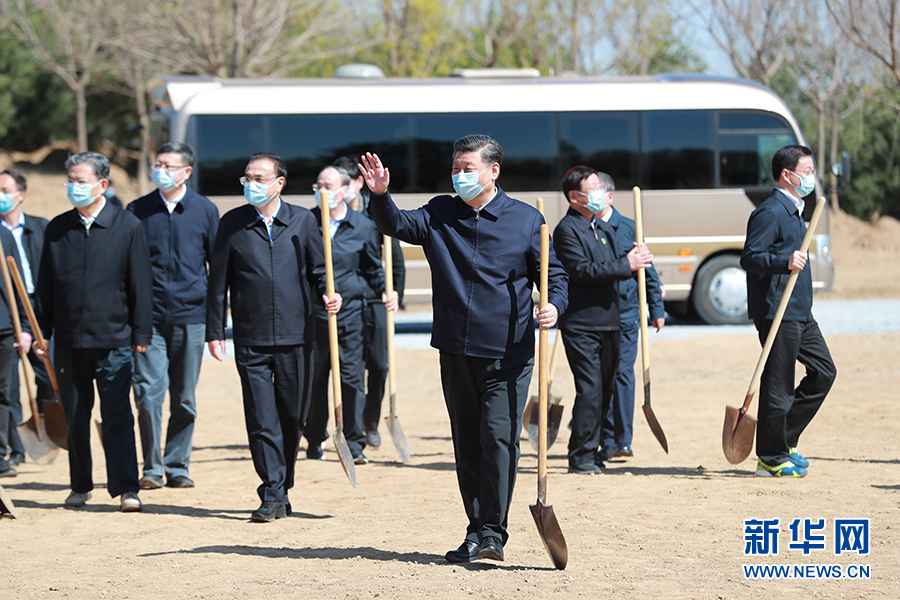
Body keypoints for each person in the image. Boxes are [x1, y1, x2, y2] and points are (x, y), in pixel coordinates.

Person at [359, 135, 568, 564]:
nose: (460, 175)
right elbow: (395, 224)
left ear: (493, 171)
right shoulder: (440, 213)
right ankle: (478, 530)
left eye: (468, 168)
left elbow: (555, 275)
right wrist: (380, 195)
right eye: (456, 168)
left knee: (498, 438)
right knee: (467, 441)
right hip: (455, 347)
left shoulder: (527, 221)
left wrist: (552, 305)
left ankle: (493, 530)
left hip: (508, 350)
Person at [206, 153, 341, 522]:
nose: (251, 183)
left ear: (279, 182)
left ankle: (283, 484)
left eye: (259, 177)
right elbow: (218, 282)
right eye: (247, 177)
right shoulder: (231, 224)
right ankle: (272, 490)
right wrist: (215, 331)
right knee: (262, 417)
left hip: (299, 337)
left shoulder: (302, 222)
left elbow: (319, 270)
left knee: (291, 416)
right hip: (251, 338)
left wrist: (330, 293)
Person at [34, 151, 152, 511]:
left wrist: (141, 336)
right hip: (70, 342)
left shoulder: (127, 226)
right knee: (76, 417)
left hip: (115, 340)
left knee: (117, 415)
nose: (74, 187)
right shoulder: (57, 228)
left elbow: (141, 286)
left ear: (102, 184)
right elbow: (47, 287)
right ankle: (79, 485)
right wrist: (42, 333)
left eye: (81, 181)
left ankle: (126, 487)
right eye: (70, 180)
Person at [741, 144, 836, 478]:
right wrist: (784, 261)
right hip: (776, 310)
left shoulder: (795, 209)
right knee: (779, 384)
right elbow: (750, 258)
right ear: (787, 175)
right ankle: (770, 456)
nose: (811, 177)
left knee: (824, 372)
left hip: (799, 310)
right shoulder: (770, 211)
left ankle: (784, 437)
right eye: (807, 172)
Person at [128, 143, 219, 490]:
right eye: (157, 164)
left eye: (168, 165)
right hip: (147, 320)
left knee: (184, 397)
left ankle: (177, 465)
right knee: (148, 394)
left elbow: (217, 270)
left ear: (186, 172)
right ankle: (151, 468)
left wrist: (214, 326)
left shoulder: (205, 211)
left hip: (191, 317)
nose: (160, 170)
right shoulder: (137, 210)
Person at [553, 166, 653, 474]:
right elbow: (583, 270)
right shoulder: (567, 230)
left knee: (607, 389)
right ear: (575, 197)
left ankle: (597, 448)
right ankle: (580, 455)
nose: (599, 194)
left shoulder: (600, 227)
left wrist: (638, 257)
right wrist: (627, 263)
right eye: (592, 188)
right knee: (591, 389)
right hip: (582, 324)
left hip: (610, 320)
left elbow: (616, 260)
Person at [303, 166, 395, 465]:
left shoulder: (363, 226)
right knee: (316, 379)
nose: (322, 190)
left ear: (344, 190)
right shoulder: (306, 223)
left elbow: (371, 268)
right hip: (314, 314)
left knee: (352, 378)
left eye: (328, 185)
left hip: (351, 313)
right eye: (318, 185)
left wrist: (386, 291)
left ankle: (354, 442)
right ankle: (315, 437)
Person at [332, 156, 404, 447]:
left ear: (359, 183)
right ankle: (353, 427)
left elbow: (394, 255)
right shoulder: (329, 213)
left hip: (375, 296)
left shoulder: (376, 210)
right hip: (346, 298)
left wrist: (395, 289)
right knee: (350, 366)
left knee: (379, 363)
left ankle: (370, 420)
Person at [594, 171, 665, 462]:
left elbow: (648, 271)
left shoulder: (629, 228)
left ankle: (622, 440)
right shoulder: (582, 228)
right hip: (595, 317)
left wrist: (656, 308)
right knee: (601, 378)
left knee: (623, 374)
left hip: (625, 314)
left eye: (596, 190)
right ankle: (604, 437)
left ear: (609, 196)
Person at [0, 169, 50, 471]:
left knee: (46, 376)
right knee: (9, 386)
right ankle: (15, 447)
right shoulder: (1, 235)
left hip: (38, 305)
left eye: (5, 190)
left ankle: (42, 427)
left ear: (21, 194)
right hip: (10, 308)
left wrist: (32, 325)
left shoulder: (40, 228)